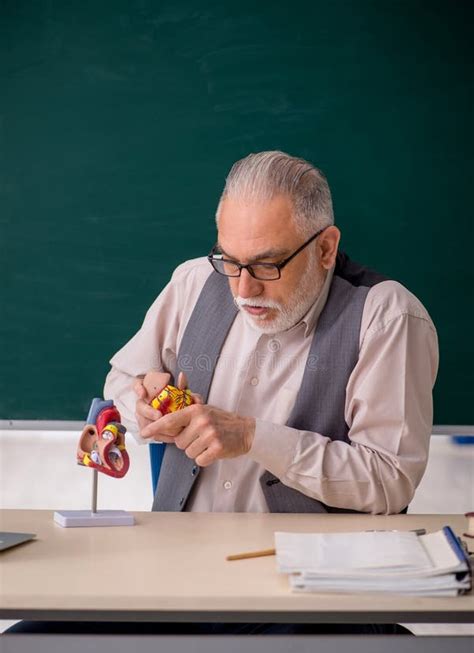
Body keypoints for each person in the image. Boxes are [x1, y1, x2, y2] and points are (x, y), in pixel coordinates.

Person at [104, 150, 439, 517]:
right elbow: (121, 380)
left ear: (325, 248)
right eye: (230, 260)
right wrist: (141, 411)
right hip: (179, 549)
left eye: (267, 265)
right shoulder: (195, 280)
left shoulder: (388, 317)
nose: (243, 291)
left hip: (311, 565)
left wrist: (252, 437)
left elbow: (390, 482)